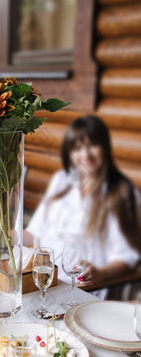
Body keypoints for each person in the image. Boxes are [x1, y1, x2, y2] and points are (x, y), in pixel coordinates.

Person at [24, 115, 140, 293]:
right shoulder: (61, 181)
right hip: (45, 283)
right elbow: (34, 233)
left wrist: (99, 274)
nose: (86, 155)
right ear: (69, 153)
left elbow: (127, 258)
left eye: (92, 145)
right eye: (77, 148)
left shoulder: (121, 193)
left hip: (84, 290)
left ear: (105, 147)